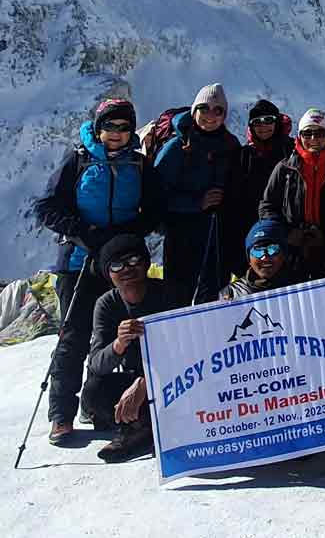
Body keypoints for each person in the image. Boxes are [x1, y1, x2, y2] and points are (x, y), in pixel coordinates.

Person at [33, 98, 161, 446]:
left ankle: (93, 400)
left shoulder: (139, 163)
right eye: (110, 126)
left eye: (123, 127)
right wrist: (84, 234)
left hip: (122, 262)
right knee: (74, 335)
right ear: (98, 128)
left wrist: (128, 236)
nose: (117, 134)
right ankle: (61, 414)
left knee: (115, 332)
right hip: (80, 260)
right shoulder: (78, 160)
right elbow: (47, 207)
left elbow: (153, 209)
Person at [83, 233, 171, 463]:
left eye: (133, 260)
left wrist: (145, 382)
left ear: (146, 263)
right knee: (93, 391)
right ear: (108, 274)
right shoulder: (106, 304)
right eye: (116, 265)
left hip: (173, 376)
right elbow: (96, 363)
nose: (126, 269)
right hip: (133, 377)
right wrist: (118, 344)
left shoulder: (170, 293)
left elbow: (188, 351)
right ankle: (143, 428)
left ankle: (138, 429)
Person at [153, 83, 241, 306]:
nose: (210, 115)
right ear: (194, 111)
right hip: (181, 232)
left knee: (213, 295)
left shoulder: (230, 145)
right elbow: (155, 194)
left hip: (218, 234)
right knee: (178, 295)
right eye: (204, 108)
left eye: (218, 110)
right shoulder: (177, 145)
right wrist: (197, 203)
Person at [259, 108, 325, 279]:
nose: (313, 139)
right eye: (307, 134)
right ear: (299, 136)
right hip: (291, 251)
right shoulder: (285, 168)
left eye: (320, 133)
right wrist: (286, 234)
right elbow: (267, 206)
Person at [239, 100, 293, 240]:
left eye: (268, 120)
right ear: (251, 126)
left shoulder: (292, 151)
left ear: (277, 123)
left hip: (289, 228)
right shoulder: (244, 155)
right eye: (257, 122)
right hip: (251, 228)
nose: (263, 126)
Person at [219, 218, 304, 300]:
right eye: (258, 252)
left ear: (284, 254)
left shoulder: (302, 285)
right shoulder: (231, 293)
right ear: (249, 259)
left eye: (272, 250)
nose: (265, 257)